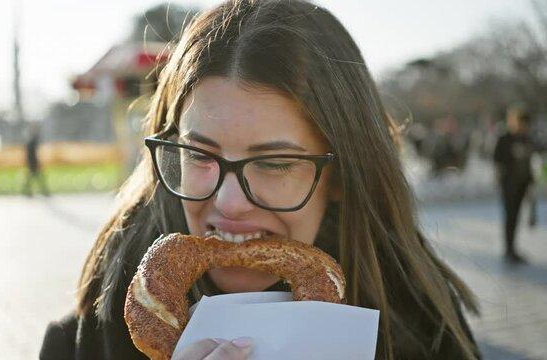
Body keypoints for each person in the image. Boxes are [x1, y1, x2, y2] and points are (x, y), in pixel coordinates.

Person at [40, 0, 481, 359]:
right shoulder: (74, 347)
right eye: (198, 154)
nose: (229, 202)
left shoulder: (429, 336)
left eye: (274, 163)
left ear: (345, 174)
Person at [493, 106, 535, 264]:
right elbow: (496, 159)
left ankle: (512, 248)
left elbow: (529, 161)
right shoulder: (504, 138)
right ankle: (509, 249)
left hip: (523, 184)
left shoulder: (526, 139)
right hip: (509, 185)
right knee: (510, 217)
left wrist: (531, 181)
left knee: (516, 216)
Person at [22, 123, 50, 197]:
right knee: (37, 178)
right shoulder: (31, 142)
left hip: (32, 163)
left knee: (34, 178)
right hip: (33, 163)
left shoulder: (30, 142)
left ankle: (28, 191)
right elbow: (31, 154)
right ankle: (43, 191)